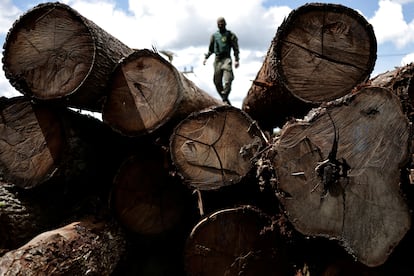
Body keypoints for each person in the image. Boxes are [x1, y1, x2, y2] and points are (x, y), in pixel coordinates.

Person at [203, 17, 240, 105]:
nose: (220, 25)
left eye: (222, 24)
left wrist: (236, 59)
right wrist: (206, 58)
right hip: (217, 60)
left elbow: (235, 48)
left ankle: (225, 95)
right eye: (219, 24)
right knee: (217, 81)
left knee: (228, 79)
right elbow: (211, 49)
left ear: (225, 24)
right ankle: (225, 99)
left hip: (227, 59)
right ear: (217, 25)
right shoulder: (214, 36)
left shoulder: (230, 35)